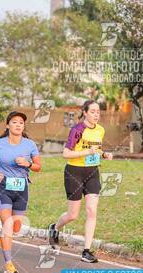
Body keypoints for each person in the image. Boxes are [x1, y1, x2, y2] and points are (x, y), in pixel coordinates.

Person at [48, 100, 113, 263]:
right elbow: (66, 154)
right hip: (74, 172)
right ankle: (54, 228)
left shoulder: (100, 130)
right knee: (73, 215)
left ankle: (86, 251)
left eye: (98, 112)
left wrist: (104, 155)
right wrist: (86, 152)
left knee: (92, 211)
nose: (96, 114)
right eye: (92, 111)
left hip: (92, 172)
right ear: (85, 112)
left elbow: (96, 150)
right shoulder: (77, 129)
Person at [0, 111, 41, 273]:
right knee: (9, 225)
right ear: (7, 125)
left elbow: (38, 166)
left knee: (16, 227)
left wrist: (28, 163)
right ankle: (9, 264)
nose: (18, 125)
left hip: (22, 189)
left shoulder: (30, 145)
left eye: (21, 123)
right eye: (14, 122)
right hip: (3, 187)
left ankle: (0, 236)